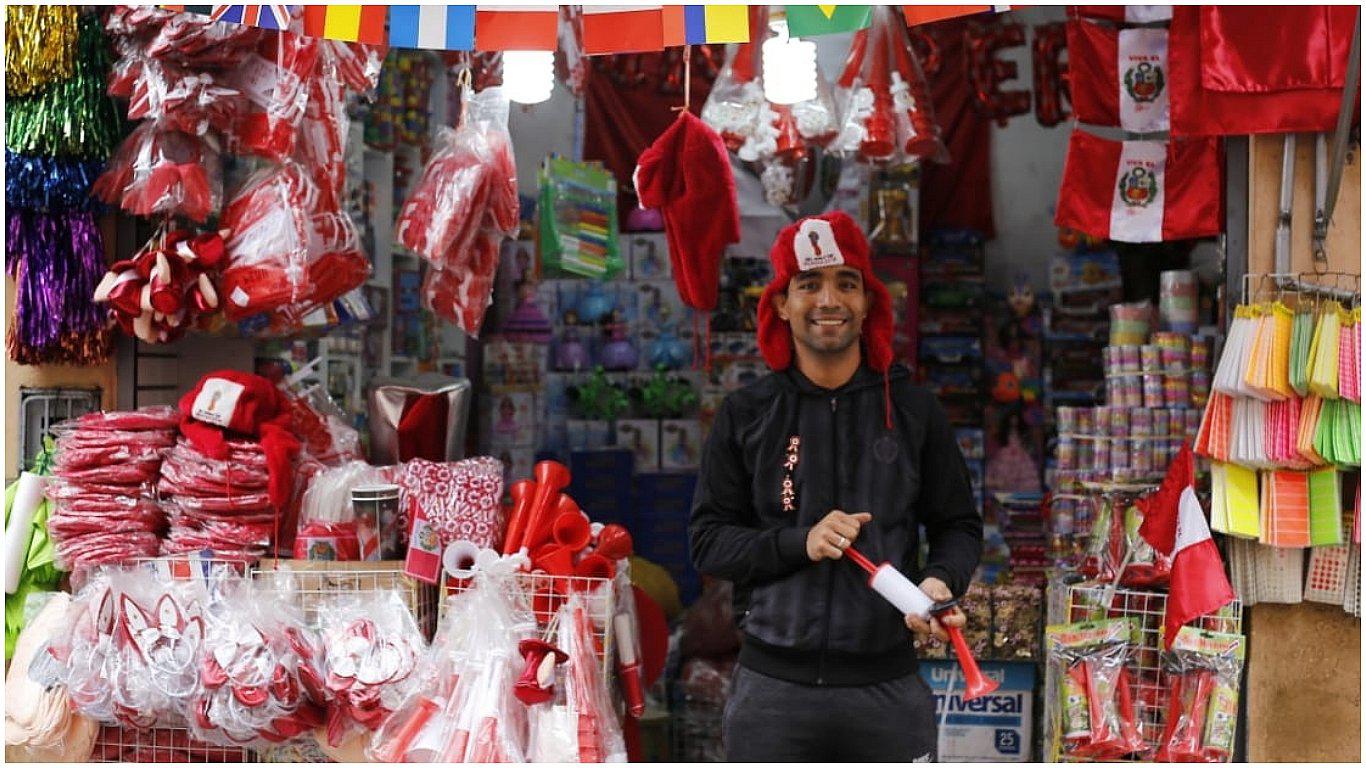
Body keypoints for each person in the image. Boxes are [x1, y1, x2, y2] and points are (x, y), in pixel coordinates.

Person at [689, 212, 984, 762]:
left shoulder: (914, 410)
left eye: (847, 283)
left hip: (887, 693)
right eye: (809, 284)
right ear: (780, 303)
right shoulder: (746, 414)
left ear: (869, 301)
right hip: (771, 695)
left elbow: (958, 526)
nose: (830, 300)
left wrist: (941, 581)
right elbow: (709, 541)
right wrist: (798, 542)